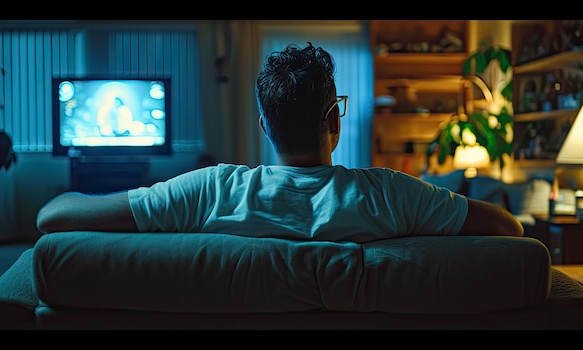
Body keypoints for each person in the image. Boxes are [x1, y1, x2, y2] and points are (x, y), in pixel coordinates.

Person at [36, 42, 523, 240]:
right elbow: (509, 230)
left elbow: (53, 216)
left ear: (265, 126)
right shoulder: (391, 193)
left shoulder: (211, 191)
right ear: (334, 122)